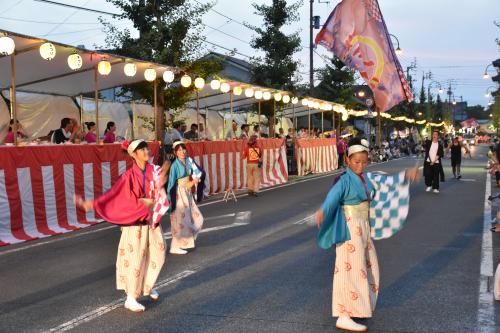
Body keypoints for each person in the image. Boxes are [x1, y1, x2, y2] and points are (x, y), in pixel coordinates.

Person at [315, 138, 419, 332]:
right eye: (356, 162)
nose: (360, 165)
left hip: (362, 227)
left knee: (365, 268)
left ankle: (353, 309)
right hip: (350, 228)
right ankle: (344, 315)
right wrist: (323, 210)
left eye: (364, 161)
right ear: (347, 160)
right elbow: (333, 196)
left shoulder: (366, 177)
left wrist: (406, 175)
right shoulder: (345, 179)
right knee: (350, 270)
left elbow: (387, 182)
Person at [75, 139, 170, 312]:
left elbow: (160, 182)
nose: (146, 151)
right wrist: (93, 204)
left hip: (150, 220)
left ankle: (147, 286)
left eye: (147, 148)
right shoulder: (128, 175)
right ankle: (131, 297)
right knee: (135, 259)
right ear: (134, 155)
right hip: (134, 222)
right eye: (142, 149)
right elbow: (113, 194)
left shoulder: (153, 170)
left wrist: (163, 177)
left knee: (158, 253)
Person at [167, 141, 205, 255]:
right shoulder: (174, 165)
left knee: (197, 219)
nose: (182, 152)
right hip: (179, 193)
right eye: (179, 150)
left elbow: (198, 172)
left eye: (183, 149)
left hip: (187, 192)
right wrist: (171, 199)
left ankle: (183, 242)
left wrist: (196, 178)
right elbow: (171, 183)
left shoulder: (189, 160)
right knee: (180, 221)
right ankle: (175, 246)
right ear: (175, 152)